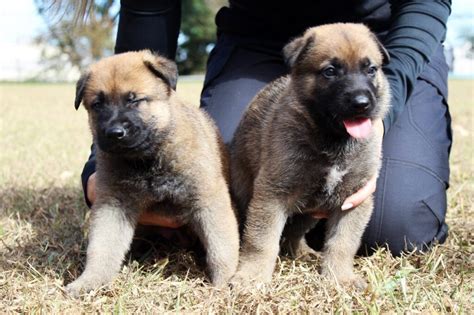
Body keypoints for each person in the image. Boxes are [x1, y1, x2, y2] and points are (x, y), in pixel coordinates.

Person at [81, 0, 452, 255]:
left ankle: (304, 219)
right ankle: (292, 217)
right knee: (220, 197)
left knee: (397, 227)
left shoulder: (376, 61)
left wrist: (381, 111)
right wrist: (104, 167)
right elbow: (128, 76)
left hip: (384, 42)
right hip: (256, 43)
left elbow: (425, 3)